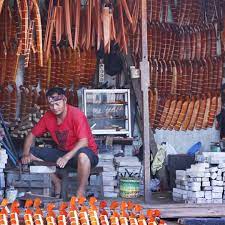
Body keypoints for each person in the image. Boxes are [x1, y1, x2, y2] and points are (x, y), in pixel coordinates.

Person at [21, 87, 98, 197]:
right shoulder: (48, 116)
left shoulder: (77, 114)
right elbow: (31, 135)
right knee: (31, 153)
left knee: (82, 155)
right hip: (63, 153)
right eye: (51, 105)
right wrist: (25, 154)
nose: (54, 108)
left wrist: (66, 157)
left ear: (65, 100)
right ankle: (57, 182)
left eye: (57, 104)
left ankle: (80, 192)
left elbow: (83, 142)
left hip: (87, 155)